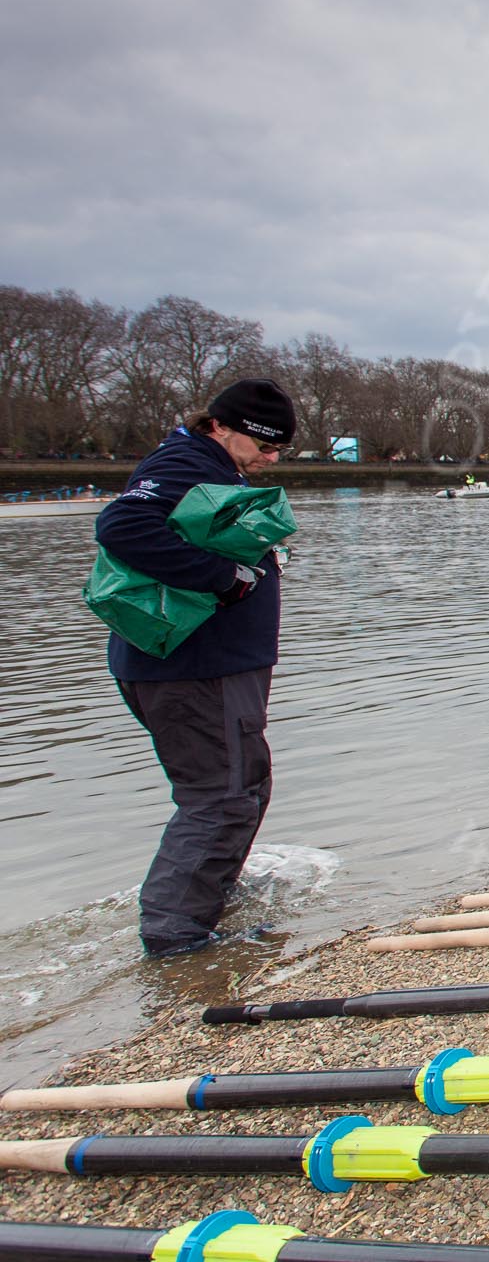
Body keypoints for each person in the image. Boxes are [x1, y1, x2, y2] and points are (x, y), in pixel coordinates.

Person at [95, 377, 296, 958]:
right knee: (220, 797)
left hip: (212, 670)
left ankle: (209, 899)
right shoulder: (189, 460)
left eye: (278, 449)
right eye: (264, 445)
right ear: (221, 426)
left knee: (247, 786)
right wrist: (220, 578)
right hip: (195, 674)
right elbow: (122, 526)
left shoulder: (205, 461)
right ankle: (174, 939)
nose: (271, 458)